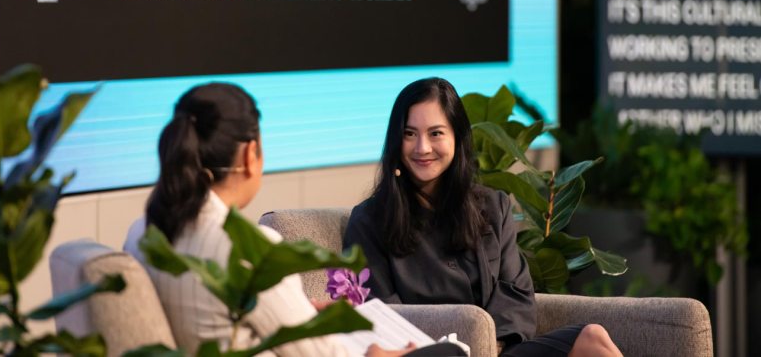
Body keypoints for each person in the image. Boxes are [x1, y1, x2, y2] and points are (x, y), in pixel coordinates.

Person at [124, 82, 464, 357]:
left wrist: (302, 315)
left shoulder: (142, 231)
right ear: (248, 155)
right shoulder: (250, 248)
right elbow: (321, 354)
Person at [343, 78, 623, 357]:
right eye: (409, 133)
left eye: (436, 133)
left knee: (591, 338)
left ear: (457, 136)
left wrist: (490, 345)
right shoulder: (370, 220)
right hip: (425, 352)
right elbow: (383, 316)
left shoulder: (491, 206)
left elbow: (515, 293)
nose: (422, 148)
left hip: (496, 350)